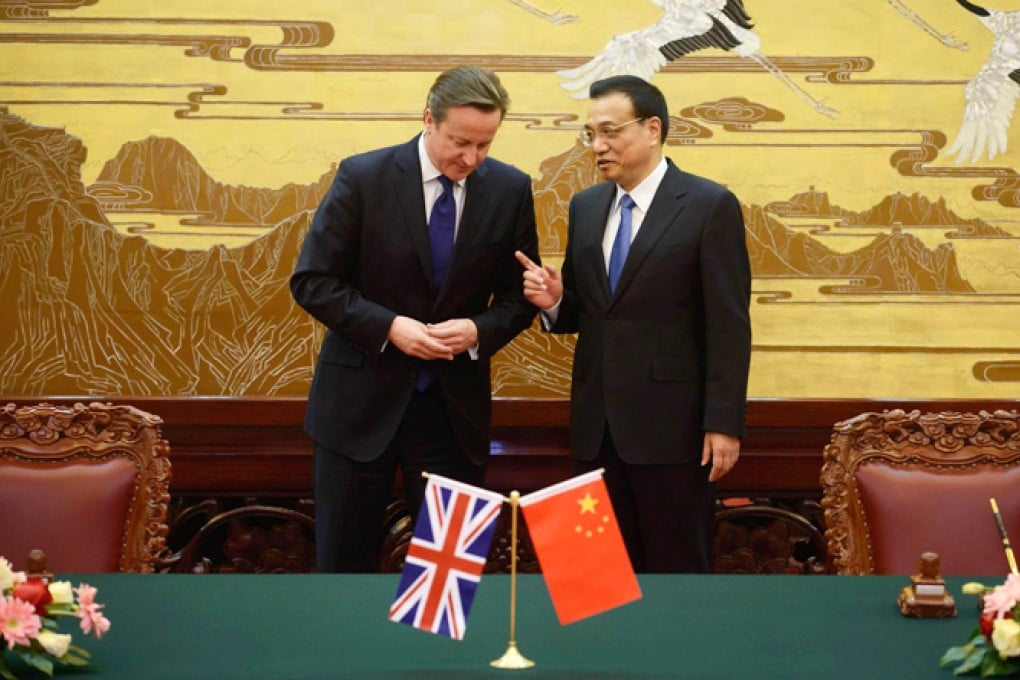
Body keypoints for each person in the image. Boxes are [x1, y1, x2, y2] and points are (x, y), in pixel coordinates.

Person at [292, 65, 539, 573]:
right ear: (429, 120)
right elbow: (312, 281)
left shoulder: (510, 190)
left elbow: (519, 298)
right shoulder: (364, 177)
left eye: (485, 145)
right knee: (342, 572)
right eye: (460, 142)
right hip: (357, 412)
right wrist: (389, 327)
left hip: (453, 416)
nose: (470, 158)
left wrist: (477, 331)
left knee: (448, 579)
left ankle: (438, 658)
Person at [516, 75, 751, 573]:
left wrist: (723, 423)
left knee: (674, 578)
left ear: (652, 129)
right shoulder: (586, 206)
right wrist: (556, 301)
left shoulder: (709, 206)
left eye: (610, 132)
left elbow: (728, 324)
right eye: (590, 134)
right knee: (593, 579)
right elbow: (590, 309)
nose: (598, 147)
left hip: (674, 434)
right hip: (594, 431)